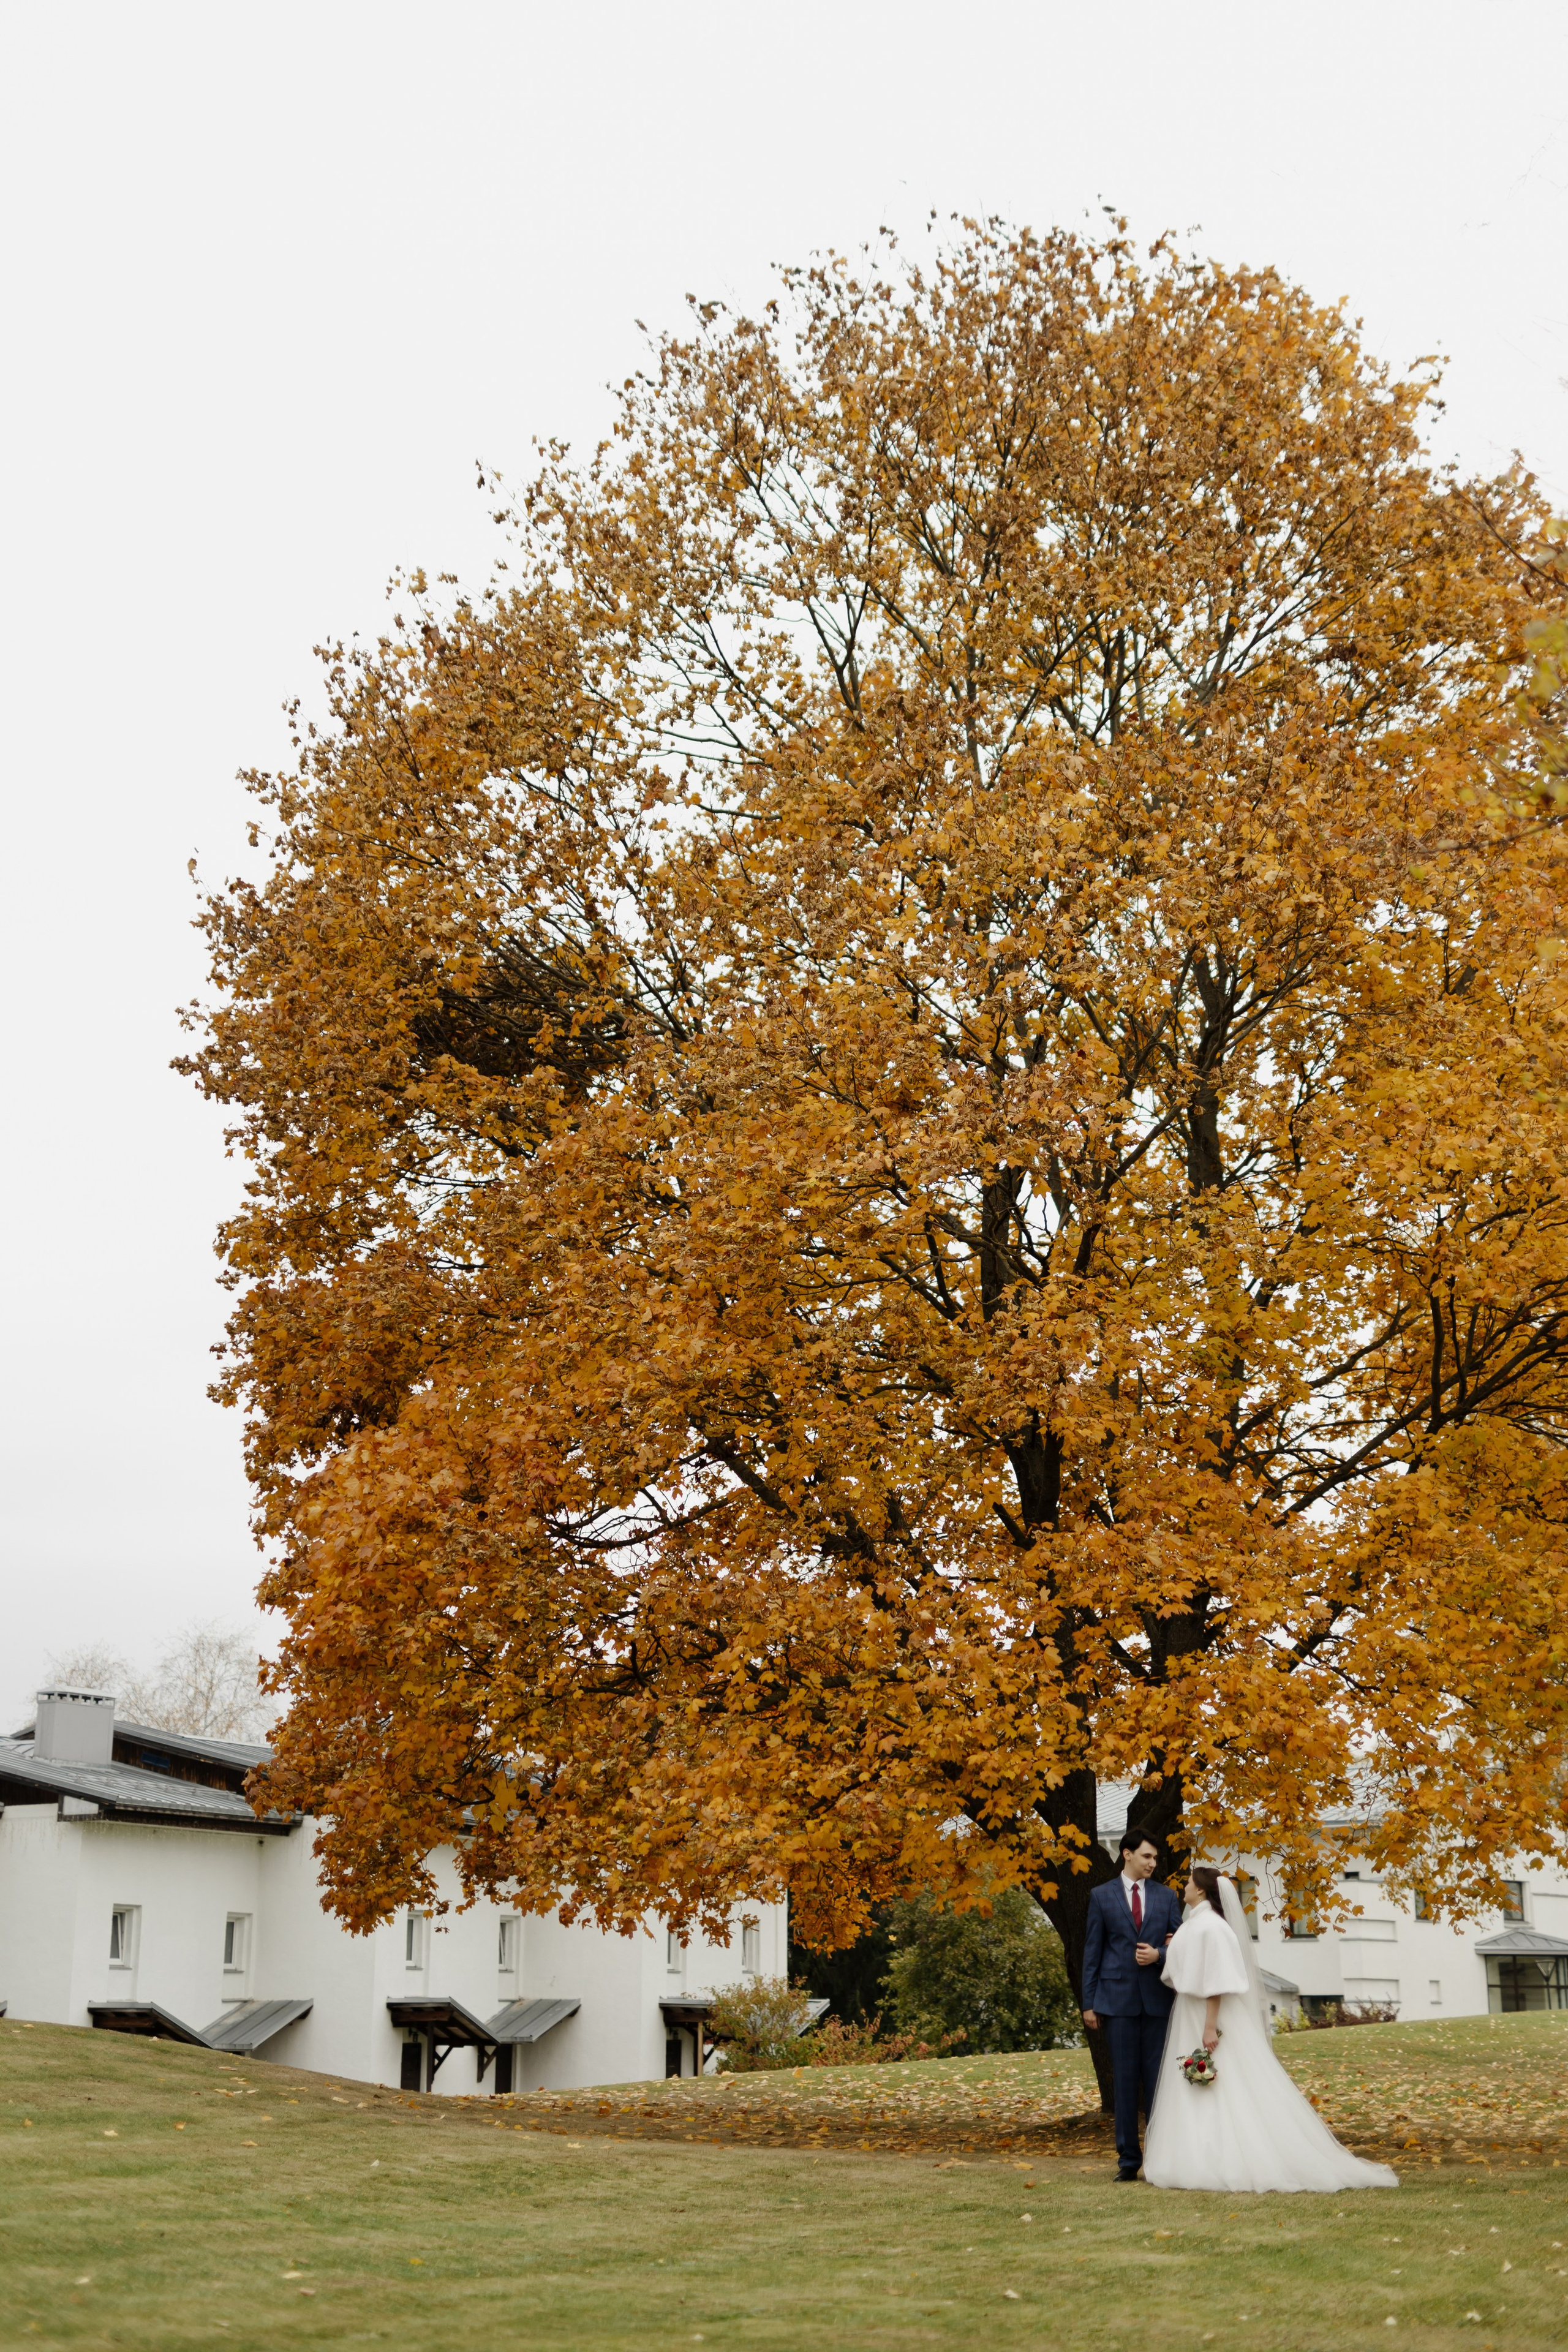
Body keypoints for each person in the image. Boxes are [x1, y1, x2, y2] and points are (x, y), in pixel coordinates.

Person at [1140, 1866, 1398, 2194]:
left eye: (1190, 1884)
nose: (1185, 1888)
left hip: (1208, 2015)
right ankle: (1197, 2155)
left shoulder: (1212, 1928)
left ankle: (1230, 2158)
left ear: (1202, 1891)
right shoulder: (1195, 1925)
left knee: (1228, 2082)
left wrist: (1209, 2027)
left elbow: (1216, 1982)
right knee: (1196, 2084)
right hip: (1190, 2013)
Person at [1081, 1830, 1184, 2181]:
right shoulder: (1100, 1896)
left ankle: (1160, 2158)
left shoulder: (1168, 1897)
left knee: (1158, 2084)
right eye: (1147, 1857)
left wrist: (1160, 1955)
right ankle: (1128, 2162)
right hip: (1116, 2003)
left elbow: (1183, 1948)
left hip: (1157, 2002)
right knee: (1124, 2084)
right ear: (1127, 1854)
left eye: (1155, 1858)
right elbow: (1092, 1952)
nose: (1153, 1863)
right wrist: (1089, 2002)